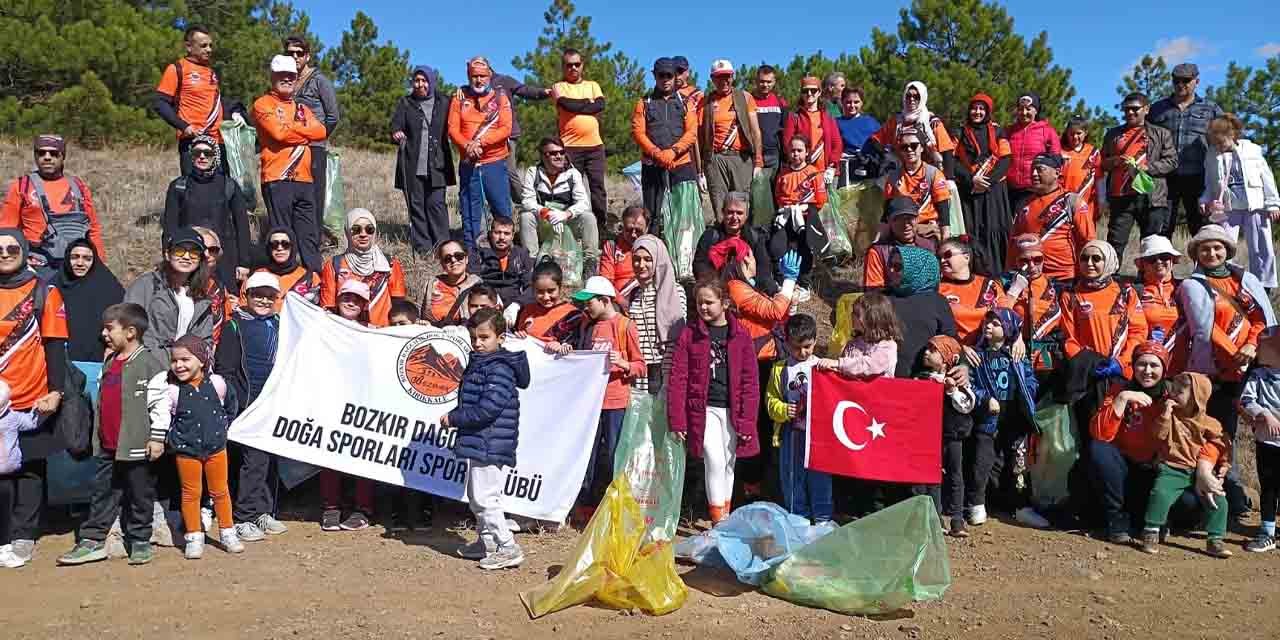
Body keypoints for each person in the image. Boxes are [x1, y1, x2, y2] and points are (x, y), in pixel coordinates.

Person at [55, 303, 169, 567]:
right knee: (102, 492)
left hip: (137, 445)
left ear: (130, 332)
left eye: (109, 329)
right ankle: (93, 541)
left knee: (139, 493)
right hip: (107, 445)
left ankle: (140, 540)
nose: (104, 334)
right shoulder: (110, 361)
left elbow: (160, 405)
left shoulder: (149, 364)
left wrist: (157, 437)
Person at [1179, 224, 1277, 518]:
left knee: (1267, 434)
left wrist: (1249, 346)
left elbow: (1261, 318)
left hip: (1252, 366)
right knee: (1221, 433)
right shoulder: (1192, 285)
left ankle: (1267, 498)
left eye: (1217, 247)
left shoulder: (1246, 280)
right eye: (1205, 248)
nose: (1211, 253)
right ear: (1196, 253)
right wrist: (1235, 356)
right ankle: (1226, 495)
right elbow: (1205, 328)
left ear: (1227, 250)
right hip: (1217, 371)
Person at [0, 230, 68, 567]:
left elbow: (55, 346)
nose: (5, 253)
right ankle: (3, 535)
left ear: (25, 251)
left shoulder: (44, 290)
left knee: (29, 469)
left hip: (32, 395)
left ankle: (23, 536)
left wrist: (55, 391)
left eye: (12, 247)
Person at [547, 277, 643, 515]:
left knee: (613, 454)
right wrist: (562, 348)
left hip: (616, 403)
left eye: (589, 302)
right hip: (588, 403)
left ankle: (614, 507)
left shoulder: (625, 326)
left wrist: (624, 363)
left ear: (604, 300)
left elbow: (641, 365)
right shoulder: (584, 324)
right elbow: (556, 342)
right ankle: (585, 505)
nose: (585, 307)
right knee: (585, 454)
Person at [668, 277, 760, 524]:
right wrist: (678, 420)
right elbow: (679, 378)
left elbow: (750, 382)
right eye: (699, 303)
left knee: (729, 463)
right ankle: (718, 520)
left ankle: (724, 515)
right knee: (714, 461)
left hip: (732, 410)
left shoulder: (741, 335)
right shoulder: (690, 334)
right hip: (703, 409)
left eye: (709, 302)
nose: (703, 307)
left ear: (725, 303)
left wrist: (748, 421)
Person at [447, 308, 530, 570]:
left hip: (490, 441)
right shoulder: (482, 363)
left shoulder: (499, 369)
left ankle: (508, 546)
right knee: (476, 496)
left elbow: (489, 408)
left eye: (484, 337)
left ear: (501, 337)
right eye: (474, 338)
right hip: (480, 440)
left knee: (486, 497)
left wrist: (455, 418)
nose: (478, 343)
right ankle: (488, 542)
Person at [148, 335, 243, 559]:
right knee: (191, 493)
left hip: (216, 449)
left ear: (201, 360)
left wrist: (221, 429)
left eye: (185, 359)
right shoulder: (171, 390)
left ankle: (228, 533)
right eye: (174, 360)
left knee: (220, 491)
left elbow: (231, 406)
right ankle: (194, 536)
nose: (179, 365)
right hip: (186, 451)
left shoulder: (218, 384)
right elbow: (164, 416)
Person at [214, 272, 290, 542]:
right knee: (253, 461)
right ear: (246, 296)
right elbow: (225, 369)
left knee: (270, 460)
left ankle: (264, 511)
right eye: (258, 294)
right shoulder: (235, 326)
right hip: (248, 402)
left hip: (274, 403)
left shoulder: (282, 325)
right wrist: (235, 402)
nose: (263, 300)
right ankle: (243, 516)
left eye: (270, 296)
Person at [1138, 372, 1232, 558]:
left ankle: (1215, 539)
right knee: (1160, 493)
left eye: (1179, 392)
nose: (1173, 395)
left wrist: (1222, 467)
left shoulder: (1210, 423)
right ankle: (1151, 530)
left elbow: (1223, 445)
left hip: (1201, 471)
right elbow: (1157, 436)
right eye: (1172, 390)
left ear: (1197, 397)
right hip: (1173, 467)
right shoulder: (1169, 416)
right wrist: (1165, 415)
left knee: (1219, 500)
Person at [1089, 342, 1176, 544]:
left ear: (1164, 369)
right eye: (1141, 364)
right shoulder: (1121, 389)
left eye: (1154, 366)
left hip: (1156, 470)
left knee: (1190, 506)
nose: (1147, 371)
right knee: (1099, 449)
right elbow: (1100, 434)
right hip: (1124, 470)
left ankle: (1157, 517)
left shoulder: (1172, 394)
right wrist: (1122, 399)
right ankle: (1117, 518)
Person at [253, 54, 327, 272]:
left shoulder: (302, 109)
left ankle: (314, 281)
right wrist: (305, 134)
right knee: (281, 237)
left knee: (309, 236)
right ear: (272, 77)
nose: (287, 79)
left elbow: (321, 131)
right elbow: (278, 134)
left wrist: (291, 130)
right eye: (282, 75)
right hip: (278, 178)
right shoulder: (262, 104)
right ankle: (282, 281)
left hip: (305, 180)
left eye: (291, 76)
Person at [967, 309, 1038, 527]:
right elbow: (971, 385)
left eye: (995, 324)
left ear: (1007, 329)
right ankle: (977, 504)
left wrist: (1028, 394)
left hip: (1014, 418)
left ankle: (1021, 505)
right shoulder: (978, 355)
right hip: (989, 418)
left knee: (1017, 463)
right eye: (986, 323)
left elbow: (1030, 380)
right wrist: (985, 399)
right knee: (982, 461)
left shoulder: (1017, 356)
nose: (988, 327)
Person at [320, 279, 377, 531]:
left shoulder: (375, 331)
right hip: (331, 397)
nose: (351, 302)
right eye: (346, 297)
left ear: (364, 304)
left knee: (363, 454)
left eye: (357, 299)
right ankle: (331, 507)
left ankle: (362, 509)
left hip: (364, 401)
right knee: (329, 454)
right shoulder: (323, 325)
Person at [0, 134, 105, 270]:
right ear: (35, 156)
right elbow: (6, 231)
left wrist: (100, 265)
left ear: (63, 156)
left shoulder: (78, 187)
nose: (47, 157)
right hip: (36, 265)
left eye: (54, 153)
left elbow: (93, 230)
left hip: (75, 265)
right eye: (41, 153)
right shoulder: (21, 186)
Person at [162, 135, 252, 291]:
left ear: (215, 156)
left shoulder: (229, 185)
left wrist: (243, 263)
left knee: (225, 301)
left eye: (207, 153)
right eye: (197, 153)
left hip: (223, 258)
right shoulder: (178, 186)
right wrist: (167, 255)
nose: (202, 156)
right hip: (189, 254)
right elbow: (170, 226)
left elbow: (242, 227)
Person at [1201, 114, 1280, 288]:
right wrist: (1204, 200)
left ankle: (1264, 285)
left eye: (1222, 142)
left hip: (1255, 206)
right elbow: (1209, 182)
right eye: (1215, 143)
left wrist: (1273, 203)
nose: (1219, 147)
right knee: (1224, 243)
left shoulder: (1252, 150)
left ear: (1233, 136)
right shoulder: (1211, 155)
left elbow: (1267, 178)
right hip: (1229, 209)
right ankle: (1226, 281)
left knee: (1261, 246)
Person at [1149, 63, 1225, 237]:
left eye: (1186, 80)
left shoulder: (1210, 108)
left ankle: (1204, 264)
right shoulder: (1157, 109)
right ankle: (1159, 264)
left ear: (1196, 81)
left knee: (1201, 228)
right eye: (1176, 80)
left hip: (1199, 177)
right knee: (1161, 227)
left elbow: (1228, 136)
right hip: (1165, 178)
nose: (1180, 84)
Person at [767, 314, 829, 523]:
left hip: (819, 436)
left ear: (815, 340)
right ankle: (797, 519)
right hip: (792, 434)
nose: (802, 352)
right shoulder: (780, 369)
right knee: (793, 478)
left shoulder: (822, 366)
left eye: (808, 347)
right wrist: (784, 410)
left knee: (820, 478)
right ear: (786, 343)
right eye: (796, 348)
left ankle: (823, 519)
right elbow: (770, 400)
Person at [1101, 93, 1177, 265]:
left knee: (1151, 243)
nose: (1130, 113)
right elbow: (1102, 163)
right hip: (1121, 196)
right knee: (1115, 242)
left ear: (1146, 109)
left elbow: (1172, 162)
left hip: (1151, 196)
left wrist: (1148, 167)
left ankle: (1148, 280)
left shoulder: (1161, 133)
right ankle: (1110, 278)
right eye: (1126, 109)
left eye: (1135, 109)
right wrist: (1115, 161)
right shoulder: (1113, 134)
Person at [152, 24, 237, 175]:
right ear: (189, 47)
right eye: (203, 45)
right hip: (194, 141)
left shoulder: (211, 72)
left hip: (218, 142)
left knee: (220, 193)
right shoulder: (177, 69)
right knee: (195, 193)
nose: (209, 49)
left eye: (210, 45)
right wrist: (184, 126)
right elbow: (160, 103)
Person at [448, 56, 514, 250]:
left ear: (490, 75)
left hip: (494, 161)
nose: (479, 80)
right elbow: (453, 129)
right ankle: (472, 251)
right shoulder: (459, 98)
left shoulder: (500, 98)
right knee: (470, 209)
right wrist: (468, 145)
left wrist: (480, 142)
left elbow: (506, 128)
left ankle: (503, 251)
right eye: (474, 76)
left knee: (501, 208)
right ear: (469, 76)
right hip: (469, 161)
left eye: (482, 76)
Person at [392, 66, 456, 255]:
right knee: (416, 206)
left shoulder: (445, 101)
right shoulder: (406, 102)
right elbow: (396, 124)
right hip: (412, 163)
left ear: (431, 82)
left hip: (438, 164)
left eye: (424, 80)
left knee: (436, 205)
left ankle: (443, 246)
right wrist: (397, 132)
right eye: (416, 80)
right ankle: (424, 249)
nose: (420, 84)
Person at [1061, 241, 1147, 379]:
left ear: (1108, 261)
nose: (1089, 263)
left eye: (1096, 258)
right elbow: (1069, 337)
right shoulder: (1070, 295)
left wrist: (1122, 361)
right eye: (1084, 258)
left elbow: (1138, 332)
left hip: (1123, 371)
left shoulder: (1125, 292)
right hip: (1088, 373)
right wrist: (1086, 364)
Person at [918, 335, 977, 536]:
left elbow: (968, 405)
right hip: (930, 436)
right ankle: (936, 517)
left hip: (953, 435)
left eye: (933, 350)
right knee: (933, 477)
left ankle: (957, 518)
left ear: (947, 359)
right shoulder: (922, 378)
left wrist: (952, 390)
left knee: (955, 475)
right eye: (927, 348)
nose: (926, 353)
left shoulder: (959, 381)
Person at [284, 36, 340, 245]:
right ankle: (292, 240)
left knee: (314, 196)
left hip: (314, 148)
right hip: (290, 149)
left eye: (299, 53)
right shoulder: (285, 79)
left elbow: (333, 115)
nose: (295, 57)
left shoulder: (319, 80)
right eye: (290, 53)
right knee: (293, 195)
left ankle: (314, 241)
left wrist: (318, 137)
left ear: (307, 56)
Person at [124, 227, 217, 352]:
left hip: (185, 367)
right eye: (179, 251)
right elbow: (128, 326)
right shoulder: (146, 285)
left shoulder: (201, 294)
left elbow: (205, 339)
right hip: (149, 364)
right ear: (167, 254)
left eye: (194, 253)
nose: (186, 257)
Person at [632, 58, 699, 232]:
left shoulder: (686, 102)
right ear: (654, 76)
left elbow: (692, 132)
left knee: (683, 213)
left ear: (675, 76)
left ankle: (683, 256)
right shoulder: (643, 102)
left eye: (669, 75)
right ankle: (652, 251)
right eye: (661, 75)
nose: (665, 79)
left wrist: (673, 152)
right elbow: (638, 133)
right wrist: (656, 153)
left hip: (681, 164)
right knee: (652, 214)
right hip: (652, 164)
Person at [517, 137, 598, 275]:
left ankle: (590, 263)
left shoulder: (573, 174)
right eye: (553, 153)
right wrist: (546, 213)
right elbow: (527, 201)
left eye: (561, 152)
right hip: (544, 222)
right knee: (525, 216)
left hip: (567, 224)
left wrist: (565, 215)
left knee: (588, 217)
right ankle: (531, 264)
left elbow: (584, 203)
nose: (559, 156)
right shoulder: (533, 172)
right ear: (543, 156)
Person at [1007, 153, 1093, 282]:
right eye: (1032, 170)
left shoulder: (1071, 201)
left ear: (1057, 173)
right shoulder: (1023, 204)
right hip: (1031, 277)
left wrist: (1086, 275)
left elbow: (1088, 240)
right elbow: (1014, 243)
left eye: (1040, 169)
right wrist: (1010, 272)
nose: (1034, 174)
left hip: (1064, 278)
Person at [954, 93, 1013, 275]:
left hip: (994, 191)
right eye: (974, 108)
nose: (977, 112)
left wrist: (987, 181)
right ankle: (975, 271)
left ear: (987, 111)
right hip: (969, 190)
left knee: (994, 230)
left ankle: (998, 273)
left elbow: (1006, 159)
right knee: (974, 231)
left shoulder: (998, 131)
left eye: (981, 109)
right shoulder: (959, 132)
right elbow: (953, 161)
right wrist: (971, 179)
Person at [319, 208, 408, 328]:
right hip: (347, 333)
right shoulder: (334, 264)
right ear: (347, 232)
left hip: (382, 333)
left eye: (369, 229)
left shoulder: (390, 264)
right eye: (356, 229)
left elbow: (399, 305)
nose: (363, 234)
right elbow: (327, 307)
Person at [698, 59, 764, 215]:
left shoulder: (745, 97)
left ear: (733, 77)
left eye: (727, 76)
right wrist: (700, 170)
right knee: (719, 204)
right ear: (712, 79)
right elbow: (699, 136)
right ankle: (722, 238)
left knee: (742, 203)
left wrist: (758, 161)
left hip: (741, 158)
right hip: (715, 159)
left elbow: (756, 131)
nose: (724, 81)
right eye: (719, 77)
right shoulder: (705, 102)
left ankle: (742, 239)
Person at [552, 49, 607, 231]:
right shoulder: (558, 86)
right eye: (569, 65)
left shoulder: (593, 85)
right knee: (570, 188)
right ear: (563, 67)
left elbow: (600, 105)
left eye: (577, 64)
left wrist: (578, 105)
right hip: (569, 148)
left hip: (594, 147)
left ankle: (600, 227)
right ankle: (570, 229)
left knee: (597, 188)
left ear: (582, 65)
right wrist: (587, 104)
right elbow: (565, 104)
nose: (573, 68)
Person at [624, 235, 687, 393]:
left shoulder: (674, 291)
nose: (641, 264)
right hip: (640, 375)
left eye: (648, 259)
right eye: (637, 259)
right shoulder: (634, 294)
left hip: (665, 372)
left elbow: (677, 337)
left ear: (658, 260)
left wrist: (669, 380)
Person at [885, 246, 958, 377]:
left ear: (916, 270)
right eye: (890, 265)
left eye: (898, 267)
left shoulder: (937, 302)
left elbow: (950, 341)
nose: (891, 271)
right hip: (886, 382)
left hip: (924, 383)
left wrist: (962, 366)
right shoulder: (882, 300)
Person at [694, 193, 783, 295]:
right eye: (730, 212)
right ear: (723, 212)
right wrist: (717, 286)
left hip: (749, 287)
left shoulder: (755, 238)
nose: (734, 217)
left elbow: (763, 268)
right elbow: (700, 265)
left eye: (739, 213)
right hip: (717, 289)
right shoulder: (710, 236)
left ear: (746, 215)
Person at [487, 61, 553, 199]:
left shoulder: (503, 81)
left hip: (507, 134)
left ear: (489, 68)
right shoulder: (477, 87)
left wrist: (542, 92)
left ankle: (523, 200)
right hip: (488, 135)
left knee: (508, 169)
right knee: (492, 171)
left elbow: (524, 90)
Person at [52, 238, 124, 364]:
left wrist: (113, 347)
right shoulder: (53, 287)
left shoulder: (108, 287)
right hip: (62, 361)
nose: (80, 263)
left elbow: (122, 321)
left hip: (99, 359)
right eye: (75, 257)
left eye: (87, 258)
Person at [773, 136, 831, 291]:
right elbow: (778, 195)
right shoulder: (783, 173)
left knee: (805, 249)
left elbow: (821, 199)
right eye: (792, 150)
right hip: (785, 217)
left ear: (807, 153)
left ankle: (804, 283)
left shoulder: (813, 173)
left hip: (806, 217)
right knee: (780, 247)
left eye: (799, 150)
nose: (795, 154)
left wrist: (805, 209)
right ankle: (782, 279)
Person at [1240, 334, 1280, 552]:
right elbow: (1247, 400)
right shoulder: (1258, 375)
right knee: (1269, 487)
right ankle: (1267, 532)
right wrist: (1264, 413)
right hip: (1267, 441)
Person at [869, 81, 955, 178]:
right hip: (901, 174)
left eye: (916, 96)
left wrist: (949, 179)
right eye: (908, 96)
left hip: (929, 174)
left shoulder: (932, 122)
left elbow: (947, 151)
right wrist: (887, 155)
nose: (912, 99)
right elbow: (876, 140)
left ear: (923, 98)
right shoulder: (896, 121)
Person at [883, 127, 952, 241]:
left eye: (914, 145)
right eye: (904, 147)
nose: (909, 150)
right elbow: (886, 214)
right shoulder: (893, 177)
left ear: (922, 148)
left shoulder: (934, 174)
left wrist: (945, 241)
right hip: (901, 231)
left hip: (926, 231)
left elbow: (944, 214)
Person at [1007, 235, 1064, 374]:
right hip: (1017, 346)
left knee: (1046, 389)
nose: (1031, 265)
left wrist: (1050, 347)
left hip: (1047, 347)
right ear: (1016, 261)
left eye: (1037, 260)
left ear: (1044, 260)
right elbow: (1000, 315)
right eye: (1024, 260)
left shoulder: (1056, 286)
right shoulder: (1006, 283)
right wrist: (1014, 291)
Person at [937, 238, 1009, 345]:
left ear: (966, 257)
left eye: (948, 255)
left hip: (989, 349)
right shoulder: (938, 289)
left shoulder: (989, 284)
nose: (942, 260)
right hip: (958, 352)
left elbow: (1007, 315)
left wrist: (1017, 338)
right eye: (939, 258)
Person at [816, 292, 900, 379]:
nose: (851, 315)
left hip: (876, 391)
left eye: (856, 313)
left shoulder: (887, 346)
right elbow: (846, 372)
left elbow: (869, 366)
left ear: (871, 319)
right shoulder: (853, 344)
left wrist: (838, 363)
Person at [1132, 235, 1186, 368]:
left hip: (1182, 368)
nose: (1158, 262)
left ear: (1172, 260)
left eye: (1164, 257)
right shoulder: (1134, 292)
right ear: (1143, 264)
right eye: (1151, 259)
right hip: (1148, 370)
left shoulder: (1185, 288)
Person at [863, 197, 936, 289]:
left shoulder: (927, 246)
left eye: (910, 218)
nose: (905, 224)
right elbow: (874, 291)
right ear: (889, 220)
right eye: (899, 219)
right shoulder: (878, 251)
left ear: (917, 219)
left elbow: (933, 282)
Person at [781, 76, 843, 183]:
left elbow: (837, 143)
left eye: (813, 90)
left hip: (826, 173)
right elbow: (787, 144)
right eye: (805, 91)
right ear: (801, 94)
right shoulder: (794, 117)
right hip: (802, 173)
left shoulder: (828, 117)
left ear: (819, 93)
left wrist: (832, 166)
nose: (809, 93)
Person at [1005, 92, 1062, 206]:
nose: (1024, 113)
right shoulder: (1008, 131)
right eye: (1021, 109)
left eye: (1028, 109)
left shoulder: (1047, 130)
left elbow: (1056, 161)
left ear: (1036, 111)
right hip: (1009, 189)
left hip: (1034, 189)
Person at [244, 226, 321, 310]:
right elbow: (244, 308)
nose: (280, 248)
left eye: (285, 244)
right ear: (268, 248)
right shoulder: (256, 276)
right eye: (274, 244)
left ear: (293, 247)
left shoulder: (309, 277)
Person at [469, 216, 531, 309]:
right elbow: (473, 282)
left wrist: (517, 305)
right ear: (490, 234)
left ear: (512, 236)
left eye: (506, 233)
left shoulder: (521, 254)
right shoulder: (478, 254)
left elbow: (530, 285)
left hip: (514, 306)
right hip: (486, 305)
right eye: (497, 233)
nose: (502, 237)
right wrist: (492, 299)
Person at [514, 260, 581, 341]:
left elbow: (573, 343)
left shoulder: (572, 314)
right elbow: (520, 334)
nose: (546, 297)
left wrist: (560, 345)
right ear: (533, 289)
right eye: (540, 292)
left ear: (560, 287)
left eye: (551, 291)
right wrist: (520, 335)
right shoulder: (527, 311)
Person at [752, 65, 789, 200]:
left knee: (776, 191)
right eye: (762, 81)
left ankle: (775, 220)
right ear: (756, 81)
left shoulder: (780, 102)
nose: (765, 85)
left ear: (774, 82)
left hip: (774, 155)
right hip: (753, 155)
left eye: (769, 82)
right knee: (755, 193)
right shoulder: (748, 101)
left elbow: (785, 129)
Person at [834, 87, 881, 185]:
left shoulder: (871, 122)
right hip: (847, 173)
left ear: (862, 103)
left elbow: (882, 145)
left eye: (856, 102)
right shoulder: (835, 123)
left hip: (870, 171)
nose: (852, 105)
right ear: (842, 102)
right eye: (848, 102)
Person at [600, 206, 647, 302]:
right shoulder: (612, 246)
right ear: (623, 227)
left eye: (638, 231)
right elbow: (606, 282)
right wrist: (623, 303)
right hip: (619, 301)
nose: (633, 235)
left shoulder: (655, 248)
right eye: (629, 230)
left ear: (646, 228)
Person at [1060, 116, 1103, 215]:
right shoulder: (1059, 151)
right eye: (1071, 134)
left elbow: (1099, 179)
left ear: (1086, 133)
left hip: (1086, 202)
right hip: (1063, 201)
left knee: (1085, 230)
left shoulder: (1093, 152)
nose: (1075, 137)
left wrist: (1102, 200)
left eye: (1078, 133)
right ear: (1067, 133)